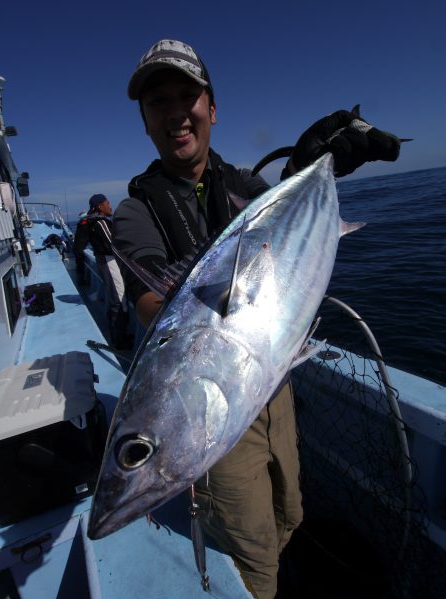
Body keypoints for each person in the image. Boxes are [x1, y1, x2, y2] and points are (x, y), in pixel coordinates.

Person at [112, 40, 401, 599]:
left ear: (212, 108)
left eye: (188, 96)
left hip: (275, 389)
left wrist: (313, 169)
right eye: (158, 102)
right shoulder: (135, 212)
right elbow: (152, 309)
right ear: (145, 121)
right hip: (215, 420)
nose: (176, 112)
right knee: (252, 561)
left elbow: (290, 235)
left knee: (291, 512)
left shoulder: (246, 186)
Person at [73, 193, 132, 350]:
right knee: (118, 300)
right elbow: (113, 245)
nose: (110, 205)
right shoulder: (100, 222)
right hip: (109, 262)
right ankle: (119, 341)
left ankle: (120, 334)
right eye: (107, 203)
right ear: (100, 206)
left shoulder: (93, 221)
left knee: (117, 297)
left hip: (105, 262)